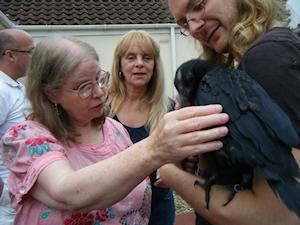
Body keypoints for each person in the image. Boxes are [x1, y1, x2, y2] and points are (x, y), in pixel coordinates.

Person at [0, 36, 230, 225]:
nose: (100, 93)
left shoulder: (114, 129)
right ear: (50, 93)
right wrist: (155, 147)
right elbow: (68, 192)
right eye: (84, 86)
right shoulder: (28, 138)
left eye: (99, 79)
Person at [158, 0, 300, 225]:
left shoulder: (266, 61)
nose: (194, 27)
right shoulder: (263, 57)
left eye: (199, 3)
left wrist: (167, 170)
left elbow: (280, 216)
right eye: (184, 22)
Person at [107, 30, 176, 225]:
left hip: (159, 205)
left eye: (147, 58)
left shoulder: (168, 108)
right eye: (131, 57)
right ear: (119, 64)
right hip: (112, 207)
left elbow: (176, 157)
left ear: (155, 66)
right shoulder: (102, 107)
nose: (139, 63)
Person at [0, 28, 34, 225]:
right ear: (10, 55)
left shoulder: (14, 87)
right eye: (30, 52)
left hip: (18, 197)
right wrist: (3, 192)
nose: (33, 57)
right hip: (7, 203)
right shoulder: (1, 90)